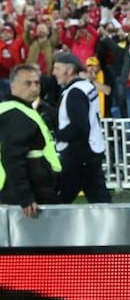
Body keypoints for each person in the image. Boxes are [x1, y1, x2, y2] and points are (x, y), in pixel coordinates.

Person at [0, 64, 61, 217]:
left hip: (19, 189)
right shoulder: (17, 115)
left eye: (37, 83)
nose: (34, 88)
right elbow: (12, 157)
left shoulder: (14, 110)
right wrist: (25, 197)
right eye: (28, 83)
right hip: (27, 194)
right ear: (13, 85)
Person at [51, 52, 111, 204]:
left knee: (57, 203)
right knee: (101, 203)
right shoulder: (86, 86)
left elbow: (79, 127)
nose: (54, 73)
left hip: (77, 157)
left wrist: (57, 135)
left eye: (57, 68)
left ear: (70, 70)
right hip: (91, 153)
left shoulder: (75, 92)